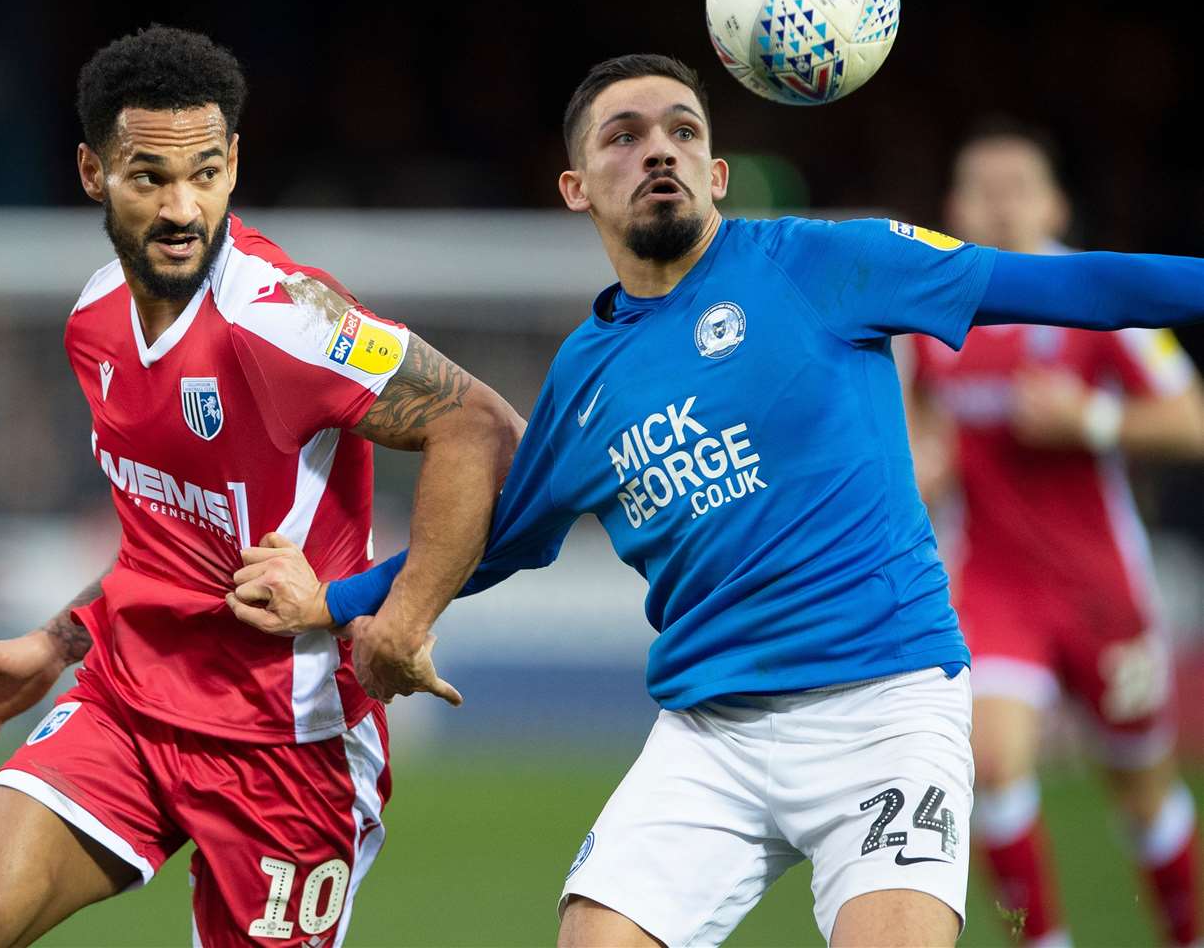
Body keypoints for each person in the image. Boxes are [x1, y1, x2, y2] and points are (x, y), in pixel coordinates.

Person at [229, 54, 1204, 948]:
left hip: (885, 711)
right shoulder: (585, 379)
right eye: (624, 135)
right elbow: (495, 543)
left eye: (682, 131)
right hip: (710, 738)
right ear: (575, 188)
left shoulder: (826, 266)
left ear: (718, 172)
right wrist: (336, 601)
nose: (658, 148)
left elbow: (1075, 285)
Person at [0, 25, 521, 947]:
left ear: (235, 163)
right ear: (91, 172)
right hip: (126, 704)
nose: (181, 207)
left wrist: (401, 616)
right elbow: (163, 540)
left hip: (289, 745)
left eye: (204, 172)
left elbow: (480, 427)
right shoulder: (95, 322)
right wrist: (56, 640)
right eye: (148, 177)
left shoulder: (284, 318)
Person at [903, 123, 1203, 947]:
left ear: (1055, 202)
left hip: (1103, 588)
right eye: (981, 188)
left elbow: (1193, 420)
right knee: (991, 769)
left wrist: (1092, 418)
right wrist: (922, 470)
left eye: (1018, 186)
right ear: (954, 207)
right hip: (997, 586)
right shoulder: (933, 323)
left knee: (1144, 794)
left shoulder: (1101, 301)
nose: (1000, 204)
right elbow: (920, 442)